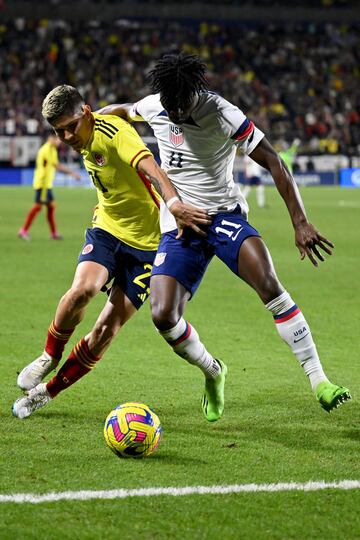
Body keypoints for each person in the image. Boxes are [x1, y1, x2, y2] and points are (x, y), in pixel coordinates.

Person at [98, 53, 350, 421]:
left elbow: (275, 162)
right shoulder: (156, 106)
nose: (176, 112)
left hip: (223, 216)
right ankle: (213, 372)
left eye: (181, 105)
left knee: (269, 285)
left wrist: (300, 222)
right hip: (181, 224)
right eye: (170, 105)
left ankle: (319, 380)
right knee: (163, 314)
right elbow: (120, 111)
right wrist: (93, 124)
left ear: (195, 94)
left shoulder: (222, 113)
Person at [12, 84, 209, 419]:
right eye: (59, 131)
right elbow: (119, 110)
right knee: (83, 290)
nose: (67, 137)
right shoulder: (85, 130)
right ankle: (49, 355)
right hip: (107, 228)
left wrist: (174, 204)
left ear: (86, 112)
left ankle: (46, 392)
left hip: (148, 245)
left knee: (106, 328)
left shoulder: (115, 133)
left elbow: (153, 169)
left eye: (71, 127)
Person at [18, 132, 82, 240]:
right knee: (38, 206)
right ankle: (23, 231)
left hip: (47, 184)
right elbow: (57, 166)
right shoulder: (46, 149)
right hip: (43, 184)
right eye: (56, 139)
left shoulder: (52, 149)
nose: (58, 141)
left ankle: (53, 233)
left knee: (51, 207)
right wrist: (72, 173)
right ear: (50, 138)